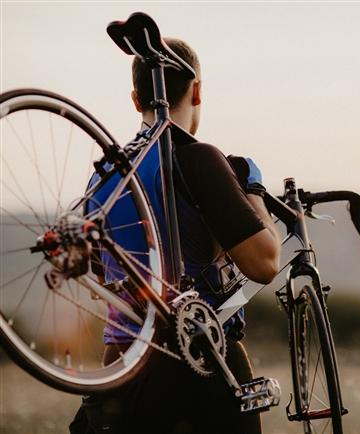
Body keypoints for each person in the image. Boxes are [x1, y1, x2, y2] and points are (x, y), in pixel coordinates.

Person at [69, 37, 281, 434]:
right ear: (196, 89)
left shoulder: (103, 176)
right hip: (200, 359)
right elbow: (265, 263)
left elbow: (103, 277)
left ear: (136, 99)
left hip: (119, 366)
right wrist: (253, 191)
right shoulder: (197, 157)